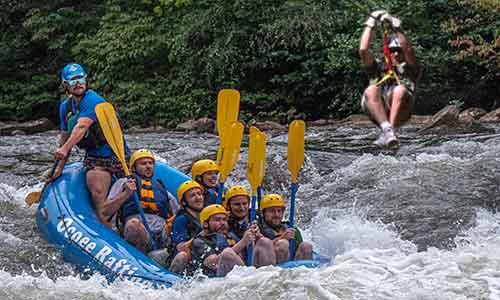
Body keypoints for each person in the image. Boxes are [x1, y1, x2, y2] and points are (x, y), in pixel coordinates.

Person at [52, 63, 130, 226]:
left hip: (116, 153)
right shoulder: (65, 107)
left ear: (86, 80)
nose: (78, 83)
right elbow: (65, 137)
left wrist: (65, 149)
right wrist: (59, 168)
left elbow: (81, 127)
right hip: (95, 157)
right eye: (73, 81)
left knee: (133, 194)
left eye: (80, 78)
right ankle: (107, 230)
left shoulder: (94, 100)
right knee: (97, 192)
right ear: (65, 84)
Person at [359, 11, 422, 148]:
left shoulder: (411, 68)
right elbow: (363, 50)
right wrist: (370, 23)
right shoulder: (377, 66)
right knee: (371, 89)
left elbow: (409, 50)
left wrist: (397, 28)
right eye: (392, 50)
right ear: (387, 50)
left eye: (398, 50)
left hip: (403, 108)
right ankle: (388, 131)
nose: (395, 53)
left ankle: (389, 132)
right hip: (376, 107)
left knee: (399, 89)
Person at [108, 149, 178, 253]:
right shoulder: (124, 183)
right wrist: (126, 193)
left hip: (161, 233)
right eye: (143, 163)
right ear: (134, 167)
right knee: (133, 225)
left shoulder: (161, 188)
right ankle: (141, 260)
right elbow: (106, 211)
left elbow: (177, 213)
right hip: (139, 229)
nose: (148, 166)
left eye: (150, 163)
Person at [190, 204, 274, 277]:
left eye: (224, 219)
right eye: (217, 220)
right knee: (227, 253)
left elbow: (248, 251)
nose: (222, 223)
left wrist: (257, 235)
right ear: (205, 224)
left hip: (244, 274)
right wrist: (243, 242)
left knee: (265, 242)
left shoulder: (231, 235)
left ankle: (269, 279)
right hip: (216, 280)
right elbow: (212, 263)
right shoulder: (199, 241)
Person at [223, 185, 275, 266]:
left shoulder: (257, 217)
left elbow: (271, 238)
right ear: (228, 206)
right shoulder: (224, 221)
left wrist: (259, 235)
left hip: (256, 259)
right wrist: (244, 240)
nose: (242, 208)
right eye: (237, 204)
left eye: (244, 203)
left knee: (265, 241)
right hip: (237, 263)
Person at [259, 194, 313, 264]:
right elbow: (257, 253)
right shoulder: (258, 229)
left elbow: (300, 247)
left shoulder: (292, 228)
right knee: (283, 244)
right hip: (271, 268)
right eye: (272, 211)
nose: (276, 215)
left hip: (295, 267)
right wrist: (282, 237)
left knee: (307, 246)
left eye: (279, 211)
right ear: (263, 213)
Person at [168, 180, 204, 273]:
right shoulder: (181, 220)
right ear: (184, 202)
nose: (198, 198)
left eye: (199, 194)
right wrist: (203, 235)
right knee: (182, 255)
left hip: (203, 256)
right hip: (186, 260)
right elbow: (181, 248)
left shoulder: (207, 217)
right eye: (192, 196)